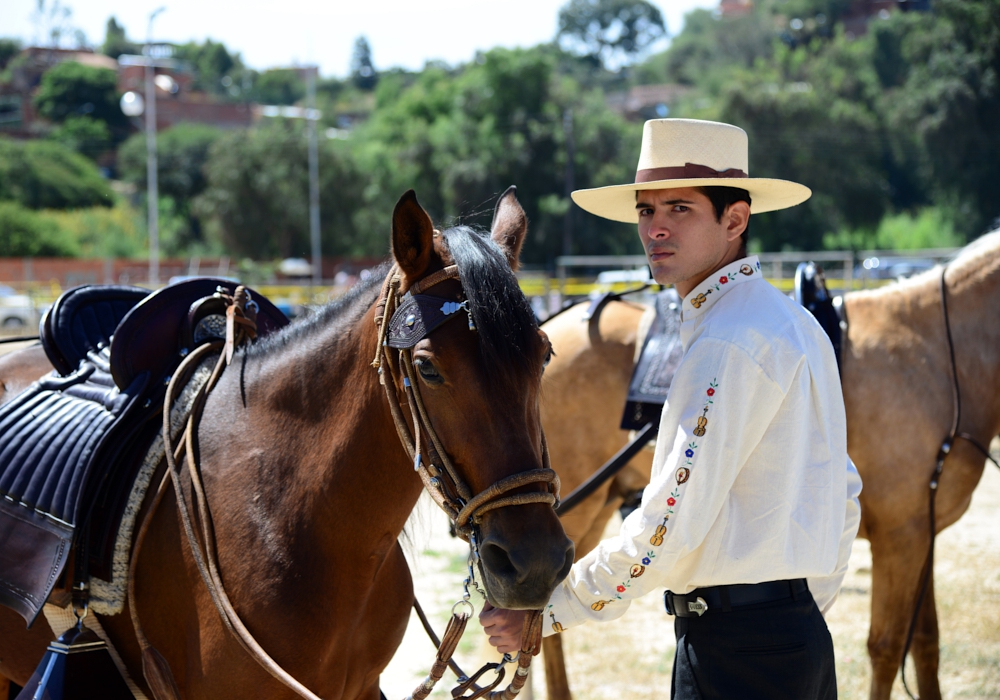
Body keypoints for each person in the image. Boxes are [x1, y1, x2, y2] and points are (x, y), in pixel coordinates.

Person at [479, 118, 862, 699]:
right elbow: (843, 496)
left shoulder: (724, 341)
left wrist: (548, 611)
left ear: (734, 220)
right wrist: (797, 615)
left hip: (734, 651)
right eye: (645, 211)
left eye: (679, 209)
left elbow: (665, 528)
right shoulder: (797, 324)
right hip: (796, 641)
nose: (654, 228)